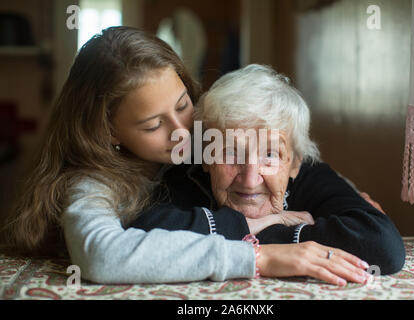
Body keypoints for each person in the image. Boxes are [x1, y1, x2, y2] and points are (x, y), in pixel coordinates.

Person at [0, 27, 371, 286]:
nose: (182, 131)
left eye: (183, 105)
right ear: (109, 131)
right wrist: (259, 252)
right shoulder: (93, 182)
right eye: (151, 125)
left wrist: (348, 192)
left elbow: (279, 151)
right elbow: (102, 256)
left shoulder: (201, 134)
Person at [131, 64, 406, 276]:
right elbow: (142, 230)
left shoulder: (310, 175)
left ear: (295, 161)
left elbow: (382, 245)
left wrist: (270, 236)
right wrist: (264, 225)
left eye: (270, 155)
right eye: (229, 152)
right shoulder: (190, 175)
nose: (250, 179)